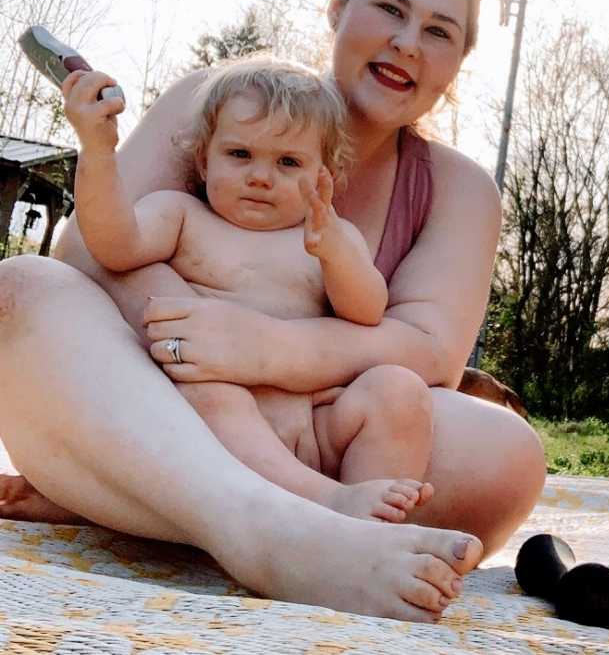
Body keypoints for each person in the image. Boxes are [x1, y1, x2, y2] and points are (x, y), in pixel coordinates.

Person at [0, 0, 547, 623]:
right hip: (167, 396)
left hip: (318, 424)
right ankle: (266, 530)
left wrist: (268, 349)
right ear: (339, 7)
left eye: (439, 31)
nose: (409, 42)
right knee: (22, 289)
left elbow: (430, 349)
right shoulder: (220, 97)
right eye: (390, 10)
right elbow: (89, 257)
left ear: (455, 64)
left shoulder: (459, 189)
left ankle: (138, 501)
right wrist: (200, 339)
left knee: (509, 454)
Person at [63, 55, 436, 523]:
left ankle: (368, 528)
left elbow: (367, 311)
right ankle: (327, 504)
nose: (260, 176)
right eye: (240, 155)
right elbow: (114, 244)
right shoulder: (180, 216)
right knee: (209, 385)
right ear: (203, 159)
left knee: (397, 388)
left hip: (309, 423)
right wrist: (97, 153)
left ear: (325, 175)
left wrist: (337, 256)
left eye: (288, 162)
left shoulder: (328, 239)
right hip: (205, 425)